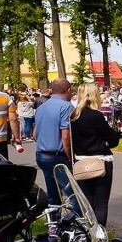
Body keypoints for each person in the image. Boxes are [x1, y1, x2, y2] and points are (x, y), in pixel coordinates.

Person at [71, 83, 120, 226]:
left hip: (81, 161)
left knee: (87, 202)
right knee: (101, 203)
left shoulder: (73, 116)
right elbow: (112, 139)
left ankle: (88, 232)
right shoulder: (96, 116)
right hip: (100, 161)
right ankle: (99, 235)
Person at [34, 79, 74, 207]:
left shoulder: (41, 107)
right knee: (72, 192)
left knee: (53, 192)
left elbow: (35, 134)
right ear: (67, 90)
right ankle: (81, 221)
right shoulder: (67, 107)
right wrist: (70, 156)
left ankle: (54, 222)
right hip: (58, 155)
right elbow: (66, 136)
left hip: (42, 154)